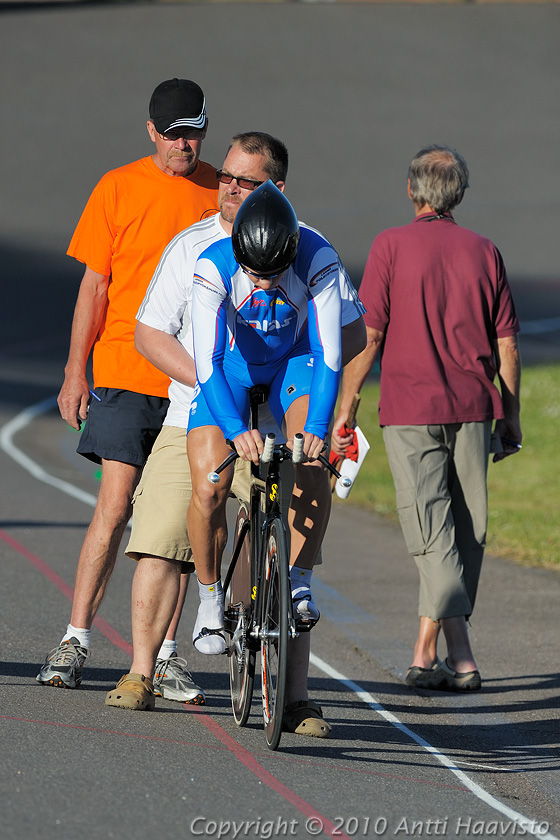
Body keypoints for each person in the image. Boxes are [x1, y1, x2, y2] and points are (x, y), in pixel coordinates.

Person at [105, 133, 366, 735]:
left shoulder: (317, 256)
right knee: (207, 489)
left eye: (246, 180)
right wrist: (232, 428)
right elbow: (204, 359)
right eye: (227, 176)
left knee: (308, 465)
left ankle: (295, 591)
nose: (229, 186)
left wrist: (318, 434)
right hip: (225, 375)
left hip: (291, 373)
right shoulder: (208, 259)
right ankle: (207, 606)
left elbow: (331, 356)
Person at [36, 78, 220, 699]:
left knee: (180, 520)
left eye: (192, 133)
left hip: (192, 382)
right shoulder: (117, 187)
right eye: (172, 135)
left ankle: (164, 654)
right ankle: (76, 637)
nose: (183, 146)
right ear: (151, 131)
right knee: (115, 508)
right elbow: (94, 286)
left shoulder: (222, 192)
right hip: (123, 370)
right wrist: (74, 370)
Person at [332, 145, 522, 692]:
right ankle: (427, 652)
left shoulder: (390, 246)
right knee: (465, 533)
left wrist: (345, 408)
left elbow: (369, 336)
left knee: (431, 531)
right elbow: (506, 346)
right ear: (457, 194)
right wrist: (510, 418)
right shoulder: (485, 251)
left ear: (411, 190)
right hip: (473, 408)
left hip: (412, 411)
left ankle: (456, 654)